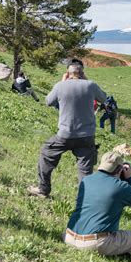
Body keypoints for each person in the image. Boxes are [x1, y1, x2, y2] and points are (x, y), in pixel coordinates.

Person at [28, 59, 107, 198]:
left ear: (67, 73)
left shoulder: (60, 86)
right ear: (82, 73)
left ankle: (43, 189)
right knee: (85, 170)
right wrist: (86, 81)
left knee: (46, 154)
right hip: (87, 136)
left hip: (65, 135)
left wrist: (63, 83)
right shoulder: (91, 85)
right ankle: (85, 199)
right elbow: (104, 99)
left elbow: (48, 101)